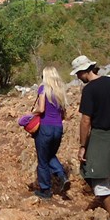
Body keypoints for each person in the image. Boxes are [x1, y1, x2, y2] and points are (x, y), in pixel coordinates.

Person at [70, 54, 110, 215]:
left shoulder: (89, 89)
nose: (77, 76)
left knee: (99, 178)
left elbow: (85, 120)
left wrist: (83, 146)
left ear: (84, 71)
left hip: (102, 136)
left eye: (78, 73)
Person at [31, 66, 68, 199]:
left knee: (43, 159)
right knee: (50, 154)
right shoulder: (60, 91)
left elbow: (41, 109)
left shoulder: (43, 89)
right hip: (58, 128)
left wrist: (30, 114)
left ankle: (45, 190)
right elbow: (64, 114)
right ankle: (61, 175)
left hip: (45, 128)